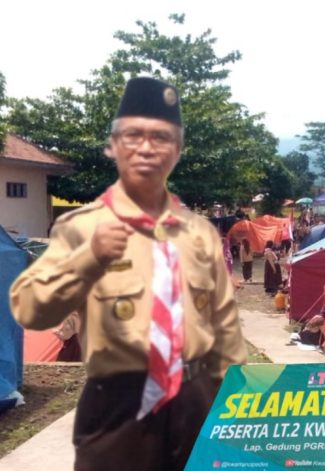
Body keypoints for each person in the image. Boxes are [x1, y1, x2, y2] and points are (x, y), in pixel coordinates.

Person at [9, 76, 247, 470]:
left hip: (199, 396)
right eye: (134, 135)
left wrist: (233, 403)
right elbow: (31, 310)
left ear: (177, 149)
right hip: (118, 405)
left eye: (162, 137)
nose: (148, 148)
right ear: (114, 145)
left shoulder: (200, 233)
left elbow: (225, 326)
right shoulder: (79, 228)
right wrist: (89, 258)